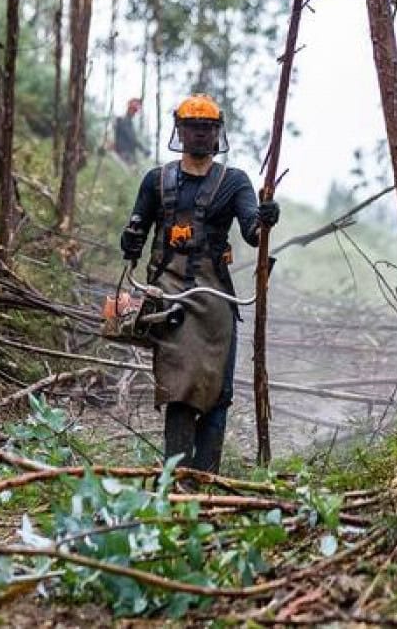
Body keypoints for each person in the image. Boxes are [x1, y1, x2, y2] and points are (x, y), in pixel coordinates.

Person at [119, 93, 279, 473]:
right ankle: (177, 479)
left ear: (216, 133)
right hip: (169, 299)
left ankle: (208, 480)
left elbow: (253, 232)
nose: (200, 135)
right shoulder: (156, 180)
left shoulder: (234, 182)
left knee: (217, 393)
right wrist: (131, 241)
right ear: (181, 131)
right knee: (178, 387)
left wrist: (265, 219)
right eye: (193, 128)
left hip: (214, 300)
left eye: (207, 129)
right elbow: (136, 228)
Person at [112, 97, 148, 164]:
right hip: (124, 154)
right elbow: (132, 138)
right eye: (134, 110)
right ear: (129, 109)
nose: (135, 113)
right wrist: (143, 149)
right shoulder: (124, 121)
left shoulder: (127, 121)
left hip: (127, 153)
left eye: (135, 111)